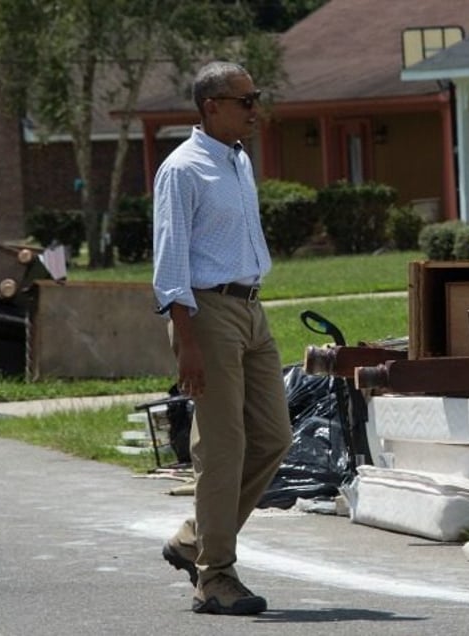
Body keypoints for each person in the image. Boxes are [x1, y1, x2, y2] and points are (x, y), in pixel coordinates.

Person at [152, 60, 293, 616]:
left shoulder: (237, 159)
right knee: (222, 447)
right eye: (246, 100)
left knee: (274, 438)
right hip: (206, 314)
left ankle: (193, 538)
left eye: (255, 98)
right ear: (211, 106)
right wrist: (186, 341)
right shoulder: (182, 170)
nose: (255, 109)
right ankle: (214, 575)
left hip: (252, 310)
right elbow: (170, 264)